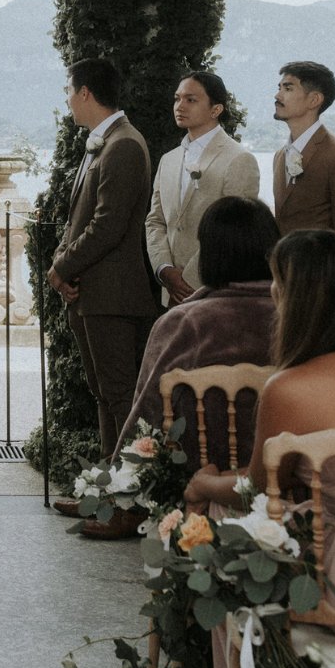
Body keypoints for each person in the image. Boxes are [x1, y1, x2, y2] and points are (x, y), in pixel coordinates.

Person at [185, 229, 335, 668]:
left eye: (278, 282)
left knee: (222, 531)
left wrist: (201, 484)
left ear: (297, 298)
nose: (273, 293)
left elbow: (252, 488)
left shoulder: (289, 388)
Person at [118, 196, 279, 471]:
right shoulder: (302, 317)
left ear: (209, 254)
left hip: (197, 482)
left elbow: (147, 415)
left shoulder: (185, 323)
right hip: (289, 484)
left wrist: (115, 483)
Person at [49, 58, 155, 460]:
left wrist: (61, 267)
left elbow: (108, 225)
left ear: (85, 93)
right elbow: (78, 219)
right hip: (92, 294)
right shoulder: (104, 142)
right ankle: (107, 489)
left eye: (69, 92)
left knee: (119, 397)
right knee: (104, 395)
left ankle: (126, 493)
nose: (68, 101)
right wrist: (63, 256)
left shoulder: (124, 144)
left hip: (113, 296)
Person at [146, 71, 260, 305]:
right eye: (177, 98)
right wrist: (164, 269)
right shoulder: (168, 160)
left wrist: (188, 280)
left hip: (213, 291)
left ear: (216, 109)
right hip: (170, 293)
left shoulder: (239, 159)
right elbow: (155, 220)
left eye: (191, 100)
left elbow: (234, 233)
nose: (180, 106)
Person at [272, 61, 335, 238]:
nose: (277, 95)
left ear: (314, 100)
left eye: (288, 88)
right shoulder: (279, 156)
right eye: (279, 88)